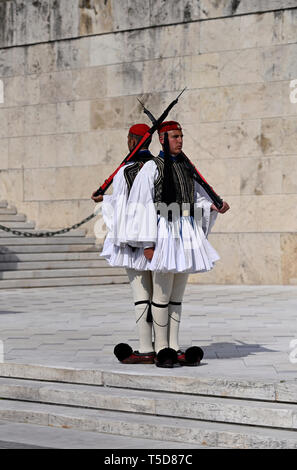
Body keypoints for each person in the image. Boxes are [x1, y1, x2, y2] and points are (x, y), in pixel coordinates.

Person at [125, 121, 230, 368]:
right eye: (175, 136)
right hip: (163, 233)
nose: (180, 140)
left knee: (176, 296)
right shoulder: (152, 168)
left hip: (185, 232)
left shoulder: (185, 167)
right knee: (160, 294)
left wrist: (212, 206)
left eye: (181, 136)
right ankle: (160, 349)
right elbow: (142, 206)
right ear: (162, 139)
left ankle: (173, 345)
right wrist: (147, 243)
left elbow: (194, 200)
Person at [92, 124, 156, 364]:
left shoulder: (125, 171)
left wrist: (104, 200)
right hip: (160, 241)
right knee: (160, 297)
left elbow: (122, 207)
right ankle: (164, 347)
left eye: (129, 138)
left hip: (133, 242)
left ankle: (146, 348)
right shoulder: (158, 166)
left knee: (141, 295)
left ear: (132, 141)